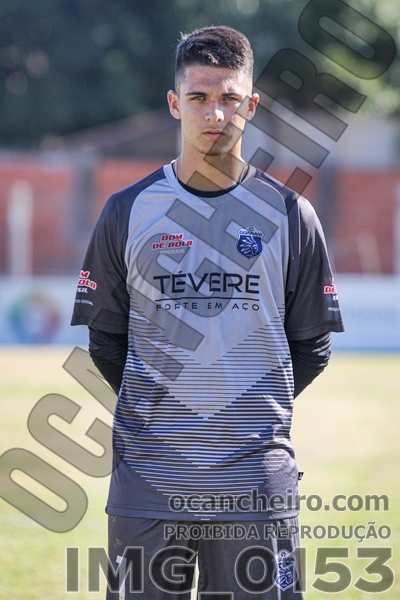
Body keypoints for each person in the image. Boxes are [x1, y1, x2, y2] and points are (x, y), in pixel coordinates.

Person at [71, 25, 344, 600]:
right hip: (149, 484)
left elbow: (312, 347)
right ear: (175, 104)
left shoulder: (291, 215)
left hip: (255, 486)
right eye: (198, 97)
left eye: (229, 98)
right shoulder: (127, 210)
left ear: (252, 104)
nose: (215, 113)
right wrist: (168, 411)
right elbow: (105, 340)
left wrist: (243, 411)